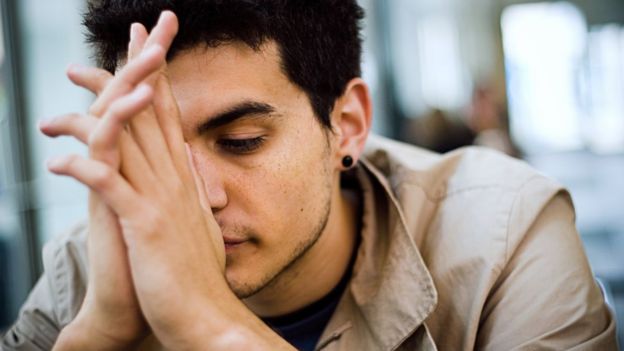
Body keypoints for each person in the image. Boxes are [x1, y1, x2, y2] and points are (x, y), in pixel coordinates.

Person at [1, 1, 618, 350]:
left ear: (345, 124)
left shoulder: (503, 233)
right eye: (152, 148)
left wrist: (211, 323)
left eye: (239, 142)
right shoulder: (85, 272)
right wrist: (100, 332)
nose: (196, 199)